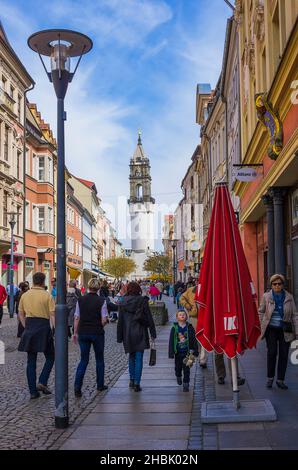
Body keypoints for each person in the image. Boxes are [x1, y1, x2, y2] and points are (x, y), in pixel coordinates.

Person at [18, 272, 55, 399]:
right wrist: (53, 330)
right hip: (44, 327)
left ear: (33, 281)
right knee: (50, 357)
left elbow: (20, 313)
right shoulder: (47, 296)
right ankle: (43, 381)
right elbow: (52, 315)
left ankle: (33, 391)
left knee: (31, 361)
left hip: (30, 327)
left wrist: (25, 326)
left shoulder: (25, 295)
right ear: (43, 281)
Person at [259, 273, 298, 390]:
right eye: (274, 284)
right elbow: (260, 311)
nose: (277, 286)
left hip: (285, 329)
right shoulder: (266, 296)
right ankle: (270, 378)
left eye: (279, 284)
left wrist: (297, 331)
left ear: (282, 285)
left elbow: (294, 315)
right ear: (271, 285)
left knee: (284, 355)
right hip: (271, 329)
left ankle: (280, 380)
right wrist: (261, 325)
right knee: (272, 353)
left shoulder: (289, 297)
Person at [117, 281, 156, 392]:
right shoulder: (142, 300)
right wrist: (153, 333)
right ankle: (137, 383)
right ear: (138, 289)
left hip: (128, 332)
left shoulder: (122, 301)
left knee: (131, 356)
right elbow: (149, 317)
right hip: (140, 332)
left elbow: (120, 321)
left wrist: (119, 337)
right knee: (139, 358)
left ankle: (132, 379)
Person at [73, 278, 109, 397]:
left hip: (83, 332)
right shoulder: (101, 301)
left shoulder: (81, 300)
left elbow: (77, 317)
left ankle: (77, 387)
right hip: (97, 333)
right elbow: (103, 320)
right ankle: (100, 384)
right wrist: (103, 323)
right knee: (99, 359)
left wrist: (75, 333)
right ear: (98, 288)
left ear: (88, 287)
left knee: (83, 360)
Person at [179, 281, 208, 368]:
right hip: (194, 317)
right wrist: (188, 306)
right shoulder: (191, 290)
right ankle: (199, 355)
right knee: (197, 337)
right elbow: (181, 298)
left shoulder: (207, 290)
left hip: (205, 317)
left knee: (203, 338)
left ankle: (203, 359)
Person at [168, 309, 198, 392]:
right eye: (180, 314)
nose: (182, 315)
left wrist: (194, 350)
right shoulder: (174, 328)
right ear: (177, 317)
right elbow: (171, 341)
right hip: (178, 353)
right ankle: (178, 376)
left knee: (187, 369)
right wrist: (171, 352)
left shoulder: (190, 328)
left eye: (184, 314)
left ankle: (186, 383)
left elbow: (193, 339)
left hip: (187, 353)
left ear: (186, 316)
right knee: (178, 368)